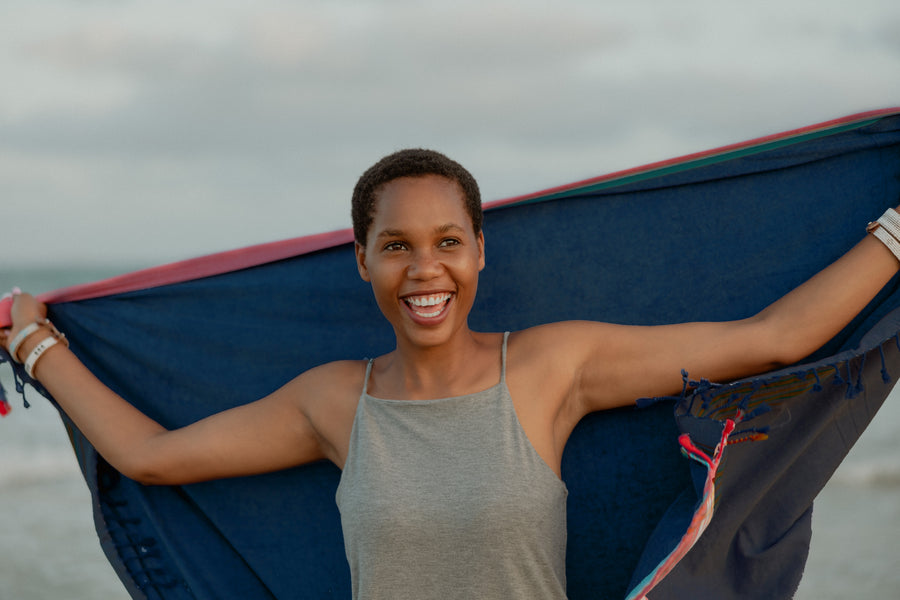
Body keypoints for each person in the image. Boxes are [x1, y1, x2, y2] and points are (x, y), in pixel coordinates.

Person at [2, 148, 899, 600]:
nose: (423, 269)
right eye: (396, 246)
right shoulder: (332, 402)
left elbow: (777, 338)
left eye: (446, 243)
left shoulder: (553, 368)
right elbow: (153, 457)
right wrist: (34, 345)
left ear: (478, 254)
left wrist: (897, 231)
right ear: (362, 262)